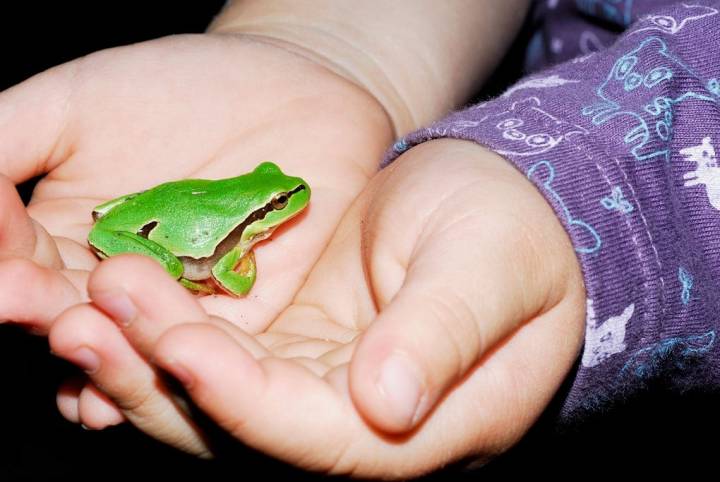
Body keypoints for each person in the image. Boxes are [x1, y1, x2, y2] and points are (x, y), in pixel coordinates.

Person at [0, 0, 716, 477]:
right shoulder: (241, 235)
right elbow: (233, 273)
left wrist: (580, 188)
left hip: (143, 214)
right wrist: (327, 43)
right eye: (277, 201)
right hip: (156, 232)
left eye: (276, 201)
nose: (290, 204)